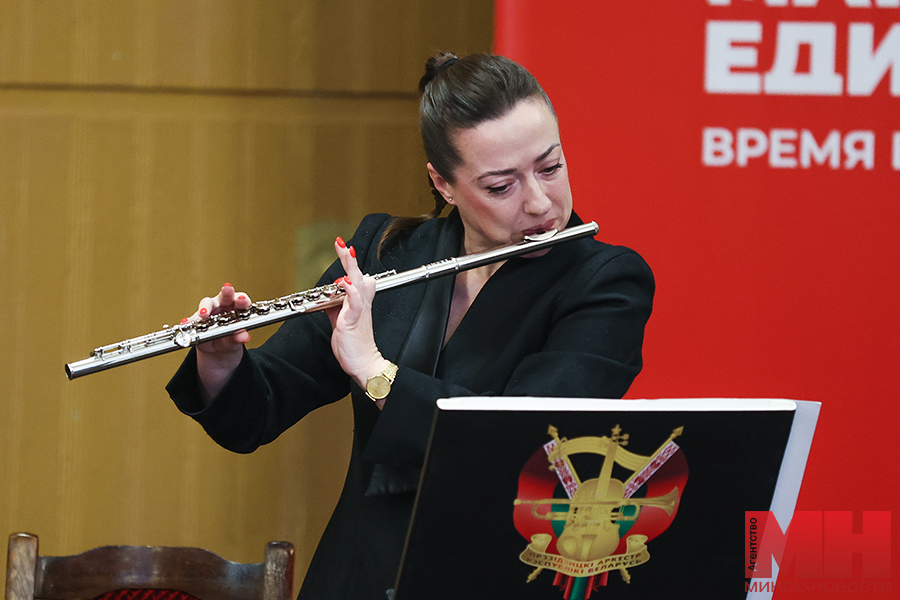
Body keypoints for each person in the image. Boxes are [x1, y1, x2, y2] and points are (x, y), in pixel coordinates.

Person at [166, 52, 654, 600]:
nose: (541, 202)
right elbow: (253, 418)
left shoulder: (604, 282)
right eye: (501, 185)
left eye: (550, 166)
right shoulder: (385, 250)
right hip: (359, 576)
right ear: (443, 184)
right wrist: (221, 359)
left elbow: (518, 447)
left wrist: (375, 371)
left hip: (496, 577)